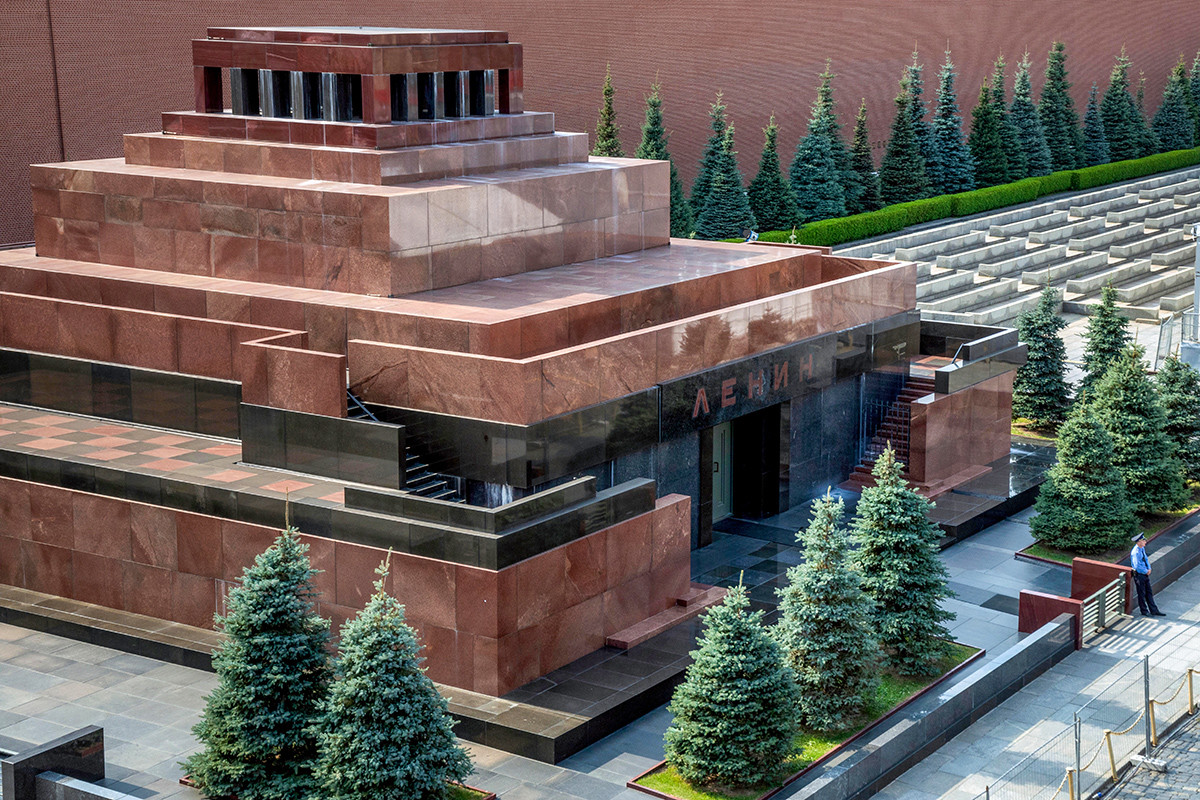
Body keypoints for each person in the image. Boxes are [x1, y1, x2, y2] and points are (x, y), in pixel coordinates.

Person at [1130, 533, 1164, 617]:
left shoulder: (1141, 549)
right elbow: (1137, 566)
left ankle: (1154, 610)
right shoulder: (1135, 552)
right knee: (1141, 593)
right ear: (1139, 541)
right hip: (1139, 575)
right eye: (1144, 540)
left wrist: (1149, 568)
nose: (1145, 542)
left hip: (1145, 574)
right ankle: (1144, 611)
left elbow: (1145, 559)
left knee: (1149, 592)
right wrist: (1146, 571)